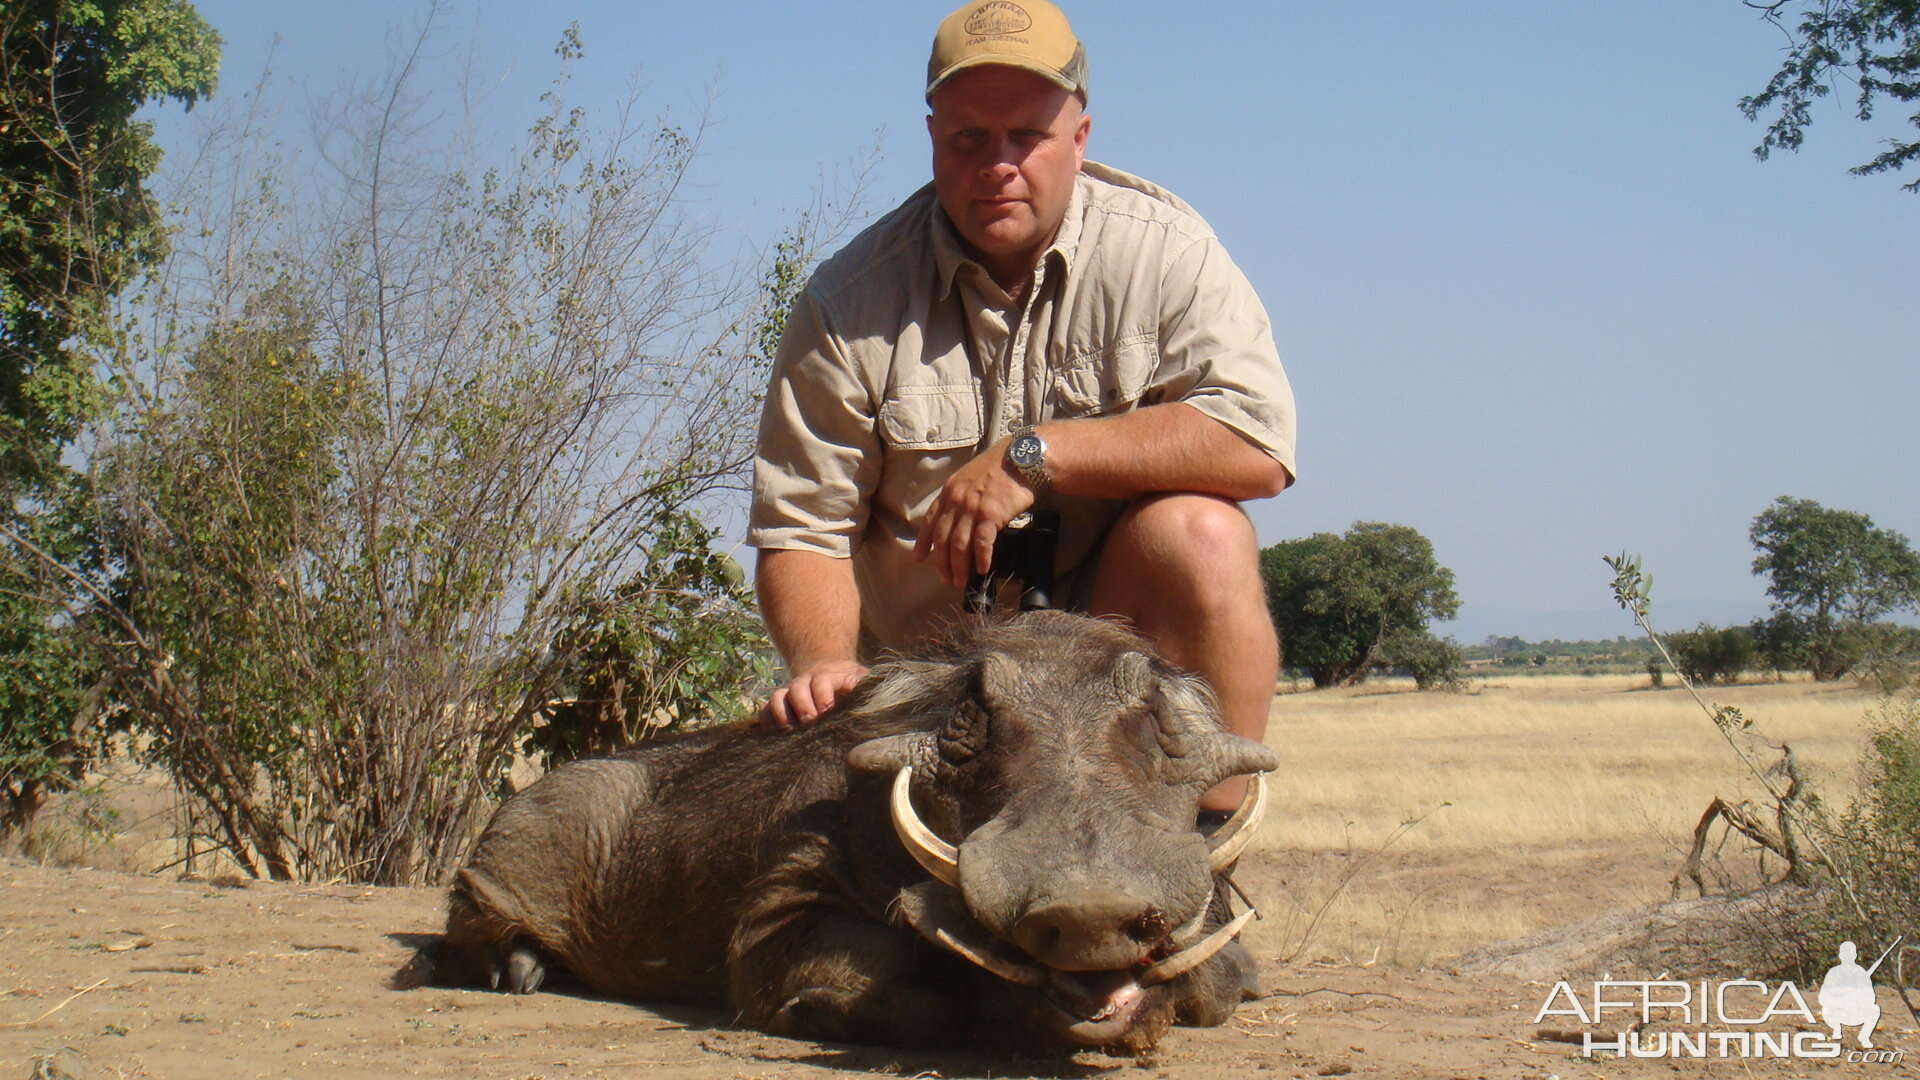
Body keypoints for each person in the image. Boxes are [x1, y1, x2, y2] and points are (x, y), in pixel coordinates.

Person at [748, 0, 1295, 816]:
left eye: (1027, 137)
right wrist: (826, 663)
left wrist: (1032, 456)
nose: (997, 164)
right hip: (927, 695)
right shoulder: (844, 303)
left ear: (1079, 138)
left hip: (1120, 675)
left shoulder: (1167, 252)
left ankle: (1205, 854)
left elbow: (1256, 444)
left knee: (1203, 534)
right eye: (970, 138)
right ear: (933, 135)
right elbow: (801, 529)